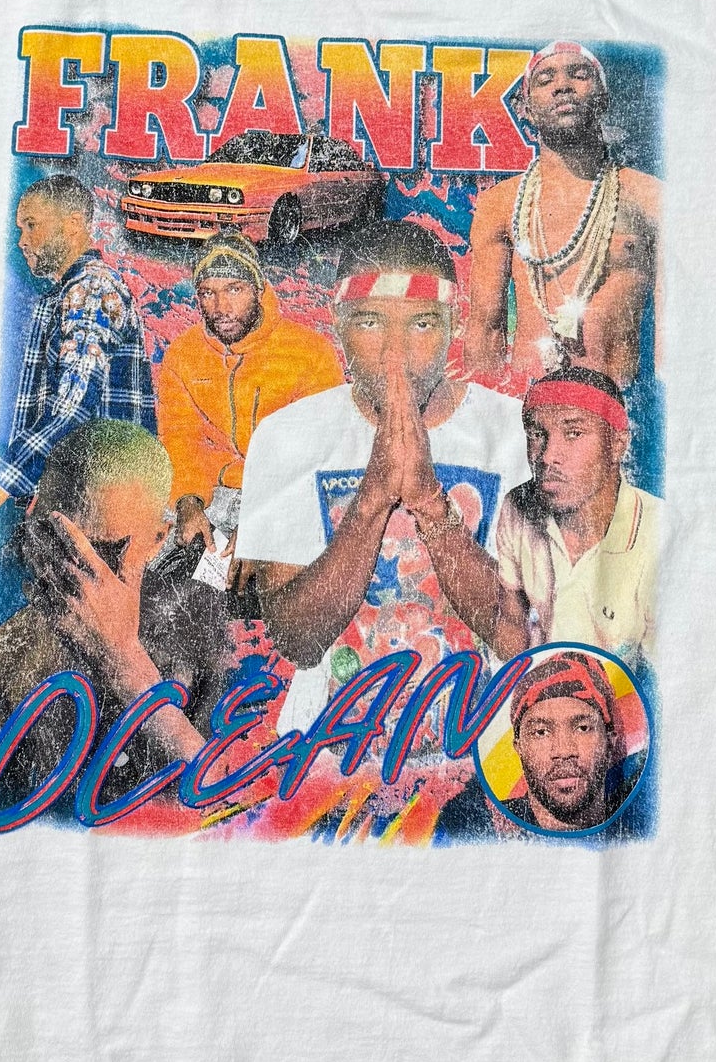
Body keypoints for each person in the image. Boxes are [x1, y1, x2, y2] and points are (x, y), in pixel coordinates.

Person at [234, 220, 530, 734]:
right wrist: (374, 495)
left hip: (485, 748)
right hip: (328, 749)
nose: (396, 354)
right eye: (370, 322)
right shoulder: (287, 436)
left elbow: (516, 634)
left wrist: (428, 500)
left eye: (422, 324)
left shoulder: (514, 432)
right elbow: (298, 640)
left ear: (455, 322)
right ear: (336, 324)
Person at [0, 420, 228, 819]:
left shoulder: (201, 627)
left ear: (157, 539)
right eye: (54, 539)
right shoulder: (8, 647)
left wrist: (126, 664)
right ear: (33, 513)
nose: (72, 569)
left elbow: (239, 804)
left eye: (101, 551)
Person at [462, 41, 660, 387]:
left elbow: (674, 328)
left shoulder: (650, 198)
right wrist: (487, 412)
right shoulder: (499, 204)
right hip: (527, 404)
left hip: (617, 404)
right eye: (545, 80)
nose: (562, 86)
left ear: (604, 99)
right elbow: (485, 330)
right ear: (525, 109)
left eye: (579, 75)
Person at [153, 234, 343, 521]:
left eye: (234, 289)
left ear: (258, 289)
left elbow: (319, 453)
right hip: (212, 490)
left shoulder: (310, 352)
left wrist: (259, 522)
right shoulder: (183, 354)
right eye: (208, 293)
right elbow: (180, 438)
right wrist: (188, 501)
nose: (221, 308)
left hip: (288, 495)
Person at [484, 365, 661, 667]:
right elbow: (511, 624)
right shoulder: (518, 505)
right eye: (537, 434)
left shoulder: (659, 531)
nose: (548, 456)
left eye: (574, 433)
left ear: (617, 445)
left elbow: (672, 675)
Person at [0, 173, 155, 501]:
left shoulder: (91, 289)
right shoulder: (68, 292)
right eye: (20, 229)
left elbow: (74, 402)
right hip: (82, 499)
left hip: (96, 503)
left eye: (31, 225)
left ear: (73, 224)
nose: (22, 241)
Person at [434, 649, 649, 843]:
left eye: (582, 728)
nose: (563, 751)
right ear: (518, 746)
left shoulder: (638, 836)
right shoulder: (471, 831)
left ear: (610, 741)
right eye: (541, 732)